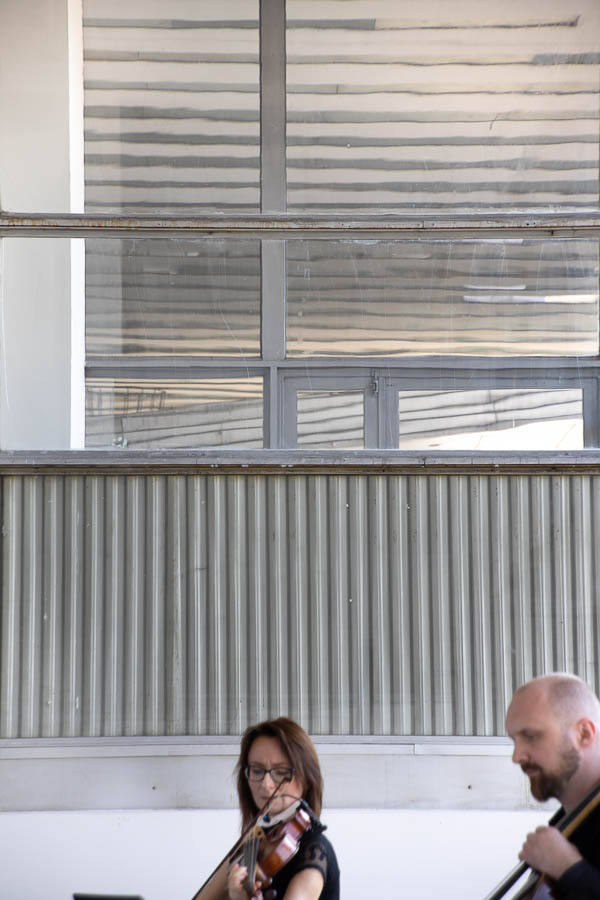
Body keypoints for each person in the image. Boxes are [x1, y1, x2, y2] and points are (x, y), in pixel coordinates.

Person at [506, 673, 600, 898]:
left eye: (531, 736)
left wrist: (570, 869)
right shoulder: (569, 823)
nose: (517, 756)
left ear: (583, 734)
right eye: (514, 740)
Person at [226, 717, 340, 900]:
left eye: (280, 772)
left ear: (306, 778)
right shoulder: (254, 842)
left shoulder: (315, 851)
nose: (266, 784)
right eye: (257, 770)